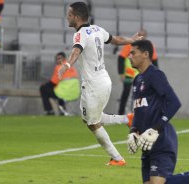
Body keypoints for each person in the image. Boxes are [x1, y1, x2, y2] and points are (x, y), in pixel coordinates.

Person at [58, 2, 142, 166]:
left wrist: (67, 65)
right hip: (103, 80)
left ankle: (117, 158)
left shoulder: (80, 34)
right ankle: (127, 119)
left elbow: (76, 50)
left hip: (93, 85)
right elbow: (116, 40)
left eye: (69, 15)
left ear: (76, 17)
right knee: (88, 118)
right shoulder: (97, 29)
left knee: (92, 122)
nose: (67, 17)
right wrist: (131, 40)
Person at [126, 40, 189, 184]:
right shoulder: (137, 80)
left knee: (159, 183)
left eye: (133, 52)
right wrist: (133, 131)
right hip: (147, 143)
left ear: (145, 54)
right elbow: (138, 111)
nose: (129, 56)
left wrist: (156, 129)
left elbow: (175, 102)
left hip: (162, 140)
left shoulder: (156, 75)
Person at [117, 29, 158, 115]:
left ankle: (141, 114)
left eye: (143, 36)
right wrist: (121, 73)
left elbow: (154, 61)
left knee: (144, 96)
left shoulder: (150, 47)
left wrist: (155, 75)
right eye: (140, 35)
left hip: (144, 75)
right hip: (130, 75)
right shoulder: (129, 45)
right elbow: (121, 58)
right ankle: (121, 114)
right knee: (126, 95)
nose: (141, 38)